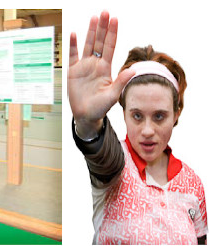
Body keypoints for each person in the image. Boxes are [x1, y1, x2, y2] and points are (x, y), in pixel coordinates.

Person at [68, 11, 207, 244]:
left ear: (176, 114)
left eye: (159, 116)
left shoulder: (193, 184)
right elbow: (98, 150)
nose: (147, 130)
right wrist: (87, 122)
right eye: (137, 116)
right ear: (123, 113)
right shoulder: (116, 165)